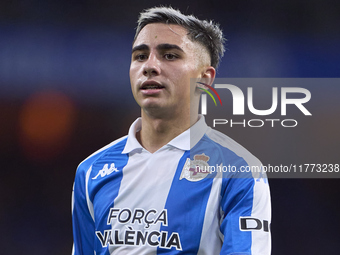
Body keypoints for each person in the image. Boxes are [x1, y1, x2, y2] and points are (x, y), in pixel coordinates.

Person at [72, 6, 271, 255]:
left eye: (169, 56)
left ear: (204, 79)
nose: (150, 66)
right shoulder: (91, 171)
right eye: (140, 56)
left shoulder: (240, 170)